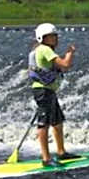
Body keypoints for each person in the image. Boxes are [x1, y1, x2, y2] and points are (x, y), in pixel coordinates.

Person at [29, 22, 80, 167]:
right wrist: (69, 53)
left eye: (55, 36)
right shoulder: (45, 49)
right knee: (44, 123)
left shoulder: (42, 50)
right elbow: (65, 65)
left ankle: (61, 152)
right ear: (42, 38)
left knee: (57, 121)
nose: (55, 38)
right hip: (43, 91)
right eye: (51, 36)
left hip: (48, 91)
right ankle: (46, 158)